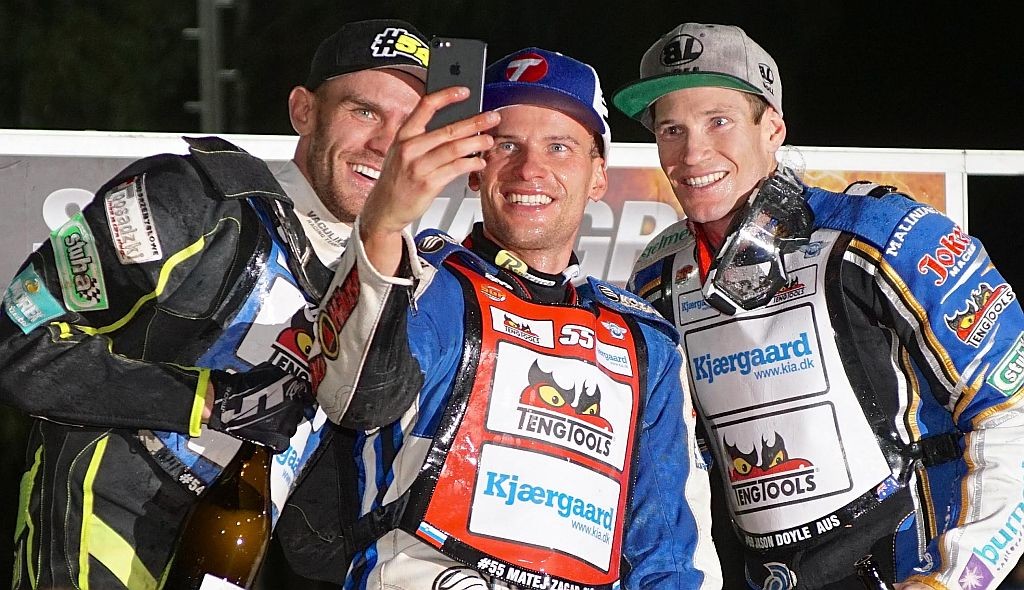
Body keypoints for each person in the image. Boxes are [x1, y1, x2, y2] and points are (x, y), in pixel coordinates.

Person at [0, 18, 429, 588]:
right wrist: (209, 400)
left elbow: (368, 421)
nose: (385, 144)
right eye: (365, 112)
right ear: (304, 111)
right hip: (103, 520)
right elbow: (18, 343)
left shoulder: (407, 276)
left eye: (411, 127)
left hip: (230, 557)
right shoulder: (193, 197)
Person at [612, 22, 1024, 590]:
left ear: (772, 128)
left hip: (914, 568)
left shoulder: (887, 236)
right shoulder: (656, 276)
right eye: (671, 130)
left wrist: (957, 577)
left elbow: (1010, 412)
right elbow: (666, 466)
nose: (693, 153)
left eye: (718, 121)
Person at [298, 47, 722, 589]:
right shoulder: (429, 284)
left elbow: (669, 552)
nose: (529, 170)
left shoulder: (644, 340)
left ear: (598, 176)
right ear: (475, 170)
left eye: (559, 147)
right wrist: (382, 227)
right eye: (506, 146)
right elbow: (356, 395)